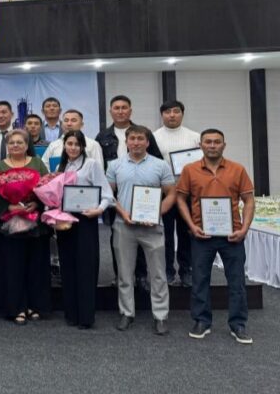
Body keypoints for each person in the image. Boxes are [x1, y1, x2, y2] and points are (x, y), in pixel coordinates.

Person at [176, 129, 255, 344]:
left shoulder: (237, 169)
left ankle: (238, 324)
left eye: (217, 142)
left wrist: (244, 229)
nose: (212, 145)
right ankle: (202, 320)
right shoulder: (190, 170)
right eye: (208, 142)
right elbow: (180, 199)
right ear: (200, 145)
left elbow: (249, 200)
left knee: (237, 281)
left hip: (233, 235)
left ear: (224, 145)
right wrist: (191, 226)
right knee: (200, 279)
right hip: (201, 235)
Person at [106, 125, 177, 336]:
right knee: (125, 273)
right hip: (123, 226)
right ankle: (126, 313)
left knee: (158, 274)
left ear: (147, 142)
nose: (136, 142)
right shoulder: (114, 165)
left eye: (140, 139)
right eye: (132, 138)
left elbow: (171, 194)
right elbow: (109, 195)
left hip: (153, 227)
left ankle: (161, 316)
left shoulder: (161, 165)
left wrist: (156, 214)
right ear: (126, 142)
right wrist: (123, 213)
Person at [96, 96, 162, 289]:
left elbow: (156, 158)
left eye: (124, 107)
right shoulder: (102, 136)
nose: (120, 111)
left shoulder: (143, 132)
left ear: (130, 111)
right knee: (117, 235)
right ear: (111, 111)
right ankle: (121, 275)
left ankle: (141, 275)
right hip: (115, 190)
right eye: (116, 108)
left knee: (142, 233)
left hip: (142, 191)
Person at [55, 130, 114, 329]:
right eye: (69, 144)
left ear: (82, 146)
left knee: (86, 267)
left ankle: (86, 316)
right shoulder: (61, 166)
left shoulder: (91, 165)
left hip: (86, 220)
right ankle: (71, 313)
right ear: (64, 145)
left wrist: (99, 210)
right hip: (65, 221)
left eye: (76, 144)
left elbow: (107, 195)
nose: (73, 148)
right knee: (68, 266)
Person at [0, 129, 51, 325]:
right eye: (11, 143)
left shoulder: (37, 163)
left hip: (35, 224)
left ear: (27, 145)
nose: (15, 145)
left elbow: (47, 188)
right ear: (7, 146)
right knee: (12, 267)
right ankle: (16, 307)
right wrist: (8, 206)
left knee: (36, 266)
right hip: (9, 224)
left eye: (19, 142)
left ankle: (36, 305)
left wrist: (37, 204)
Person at [154, 100, 200, 287]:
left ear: (182, 113)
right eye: (167, 112)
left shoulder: (195, 137)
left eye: (176, 111)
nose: (172, 115)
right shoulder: (154, 137)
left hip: (188, 192)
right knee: (164, 234)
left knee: (186, 232)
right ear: (162, 115)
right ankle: (167, 270)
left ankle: (186, 270)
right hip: (163, 192)